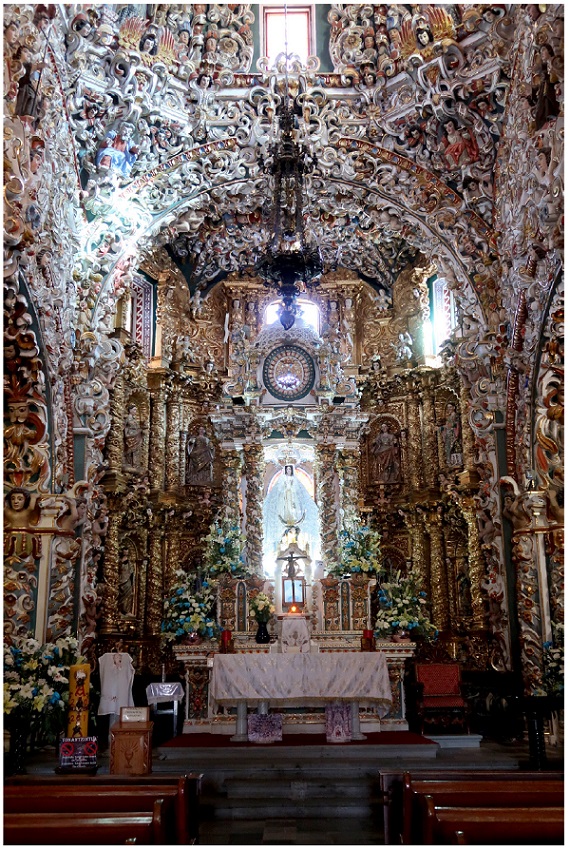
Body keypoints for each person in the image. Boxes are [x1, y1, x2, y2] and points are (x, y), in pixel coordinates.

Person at [440, 402, 463, 467]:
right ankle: (452, 463)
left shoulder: (456, 416)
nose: (449, 409)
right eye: (448, 407)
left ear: (454, 407)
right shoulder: (449, 417)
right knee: (449, 449)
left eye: (450, 407)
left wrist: (441, 427)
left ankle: (458, 462)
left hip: (454, 434)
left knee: (455, 448)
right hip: (449, 435)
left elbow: (454, 425)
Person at [123, 403, 143, 468]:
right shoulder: (127, 418)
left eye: (136, 410)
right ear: (130, 410)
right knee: (129, 451)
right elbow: (124, 427)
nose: (135, 411)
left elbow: (137, 427)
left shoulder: (134, 419)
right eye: (134, 410)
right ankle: (128, 463)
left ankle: (135, 464)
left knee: (136, 451)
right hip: (130, 436)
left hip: (136, 437)